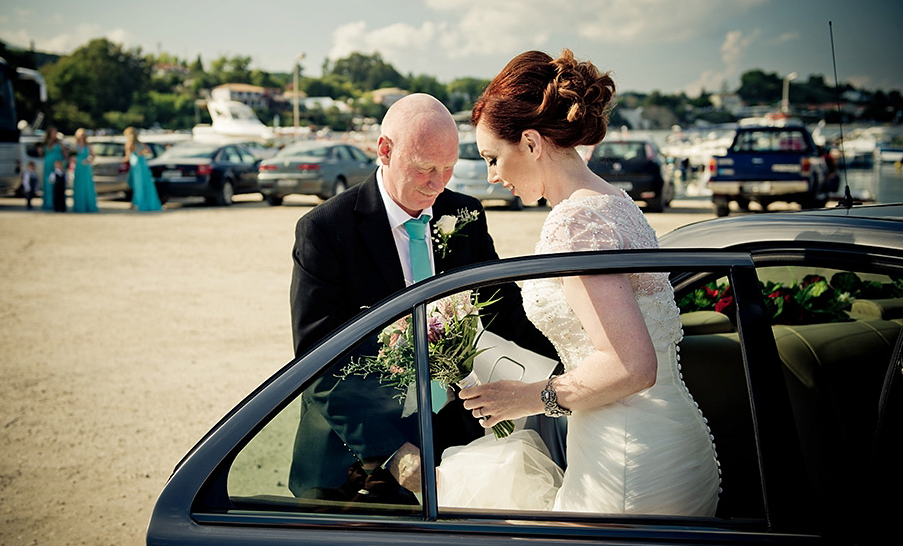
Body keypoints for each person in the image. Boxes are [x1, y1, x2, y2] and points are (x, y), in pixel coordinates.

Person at [444, 49, 720, 515]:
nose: (492, 177)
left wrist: (529, 398)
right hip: (664, 440)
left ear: (531, 143)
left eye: (493, 158)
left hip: (628, 462)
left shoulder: (575, 224)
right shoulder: (616, 203)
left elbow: (632, 367)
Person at [288, 93, 558, 499]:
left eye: (448, 169)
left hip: (454, 437)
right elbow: (318, 363)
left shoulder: (464, 215)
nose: (437, 183)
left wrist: (575, 371)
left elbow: (506, 312)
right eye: (424, 168)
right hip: (351, 459)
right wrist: (394, 454)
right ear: (384, 150)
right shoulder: (325, 231)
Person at [123, 127, 162, 212]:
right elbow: (149, 151)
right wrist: (142, 153)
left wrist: (120, 161)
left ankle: (138, 203)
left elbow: (127, 157)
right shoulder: (140, 143)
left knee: (137, 185)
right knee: (146, 184)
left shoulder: (129, 144)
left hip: (136, 166)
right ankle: (140, 202)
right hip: (142, 165)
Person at [39, 127, 67, 212]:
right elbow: (42, 155)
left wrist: (65, 163)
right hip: (48, 165)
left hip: (58, 164)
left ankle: (59, 203)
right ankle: (49, 203)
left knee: (59, 184)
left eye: (55, 132)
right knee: (48, 183)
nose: (54, 134)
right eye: (53, 132)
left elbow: (65, 154)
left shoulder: (60, 143)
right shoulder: (45, 143)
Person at [72, 128, 98, 213]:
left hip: (86, 168)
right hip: (78, 167)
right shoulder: (75, 145)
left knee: (87, 186)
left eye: (83, 135)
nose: (82, 137)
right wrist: (74, 160)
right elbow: (71, 156)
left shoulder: (88, 145)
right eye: (80, 135)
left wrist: (88, 160)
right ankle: (79, 206)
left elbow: (93, 156)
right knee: (79, 186)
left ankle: (89, 206)